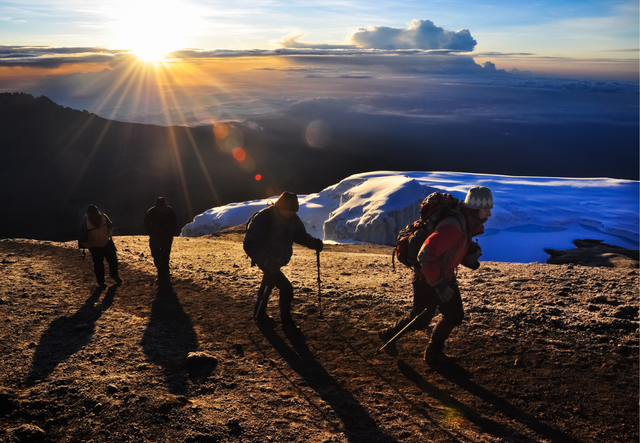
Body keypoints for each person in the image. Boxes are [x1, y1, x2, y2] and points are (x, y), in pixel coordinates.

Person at [379, 186, 493, 364]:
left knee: (454, 315)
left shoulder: (464, 221)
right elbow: (426, 255)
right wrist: (439, 286)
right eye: (486, 209)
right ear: (475, 208)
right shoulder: (453, 226)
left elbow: (450, 248)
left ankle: (434, 353)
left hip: (443, 275)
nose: (489, 214)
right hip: (428, 277)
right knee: (421, 318)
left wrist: (468, 254)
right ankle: (389, 335)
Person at [243, 192, 324, 328]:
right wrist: (265, 260)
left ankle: (260, 313)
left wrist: (312, 243)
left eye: (293, 211)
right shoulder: (264, 218)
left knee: (269, 281)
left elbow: (299, 234)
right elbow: (249, 244)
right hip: (266, 260)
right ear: (280, 206)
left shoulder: (292, 218)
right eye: (289, 211)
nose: (291, 214)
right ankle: (286, 321)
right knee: (286, 288)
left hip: (277, 259)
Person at [79, 204, 122, 287]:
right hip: (94, 247)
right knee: (98, 264)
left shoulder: (104, 217)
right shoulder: (85, 222)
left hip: (106, 242)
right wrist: (90, 245)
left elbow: (110, 226)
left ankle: (114, 275)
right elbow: (82, 237)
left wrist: (108, 235)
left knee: (113, 260)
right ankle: (101, 282)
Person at [143, 197, 177, 281]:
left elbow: (146, 223)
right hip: (164, 235)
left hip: (157, 235)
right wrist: (171, 233)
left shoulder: (152, 211)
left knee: (157, 253)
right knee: (164, 253)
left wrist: (150, 232)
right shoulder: (169, 210)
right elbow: (175, 222)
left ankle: (161, 270)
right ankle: (164, 270)